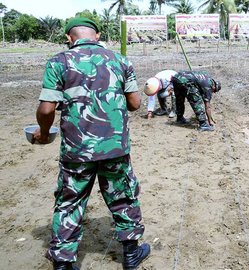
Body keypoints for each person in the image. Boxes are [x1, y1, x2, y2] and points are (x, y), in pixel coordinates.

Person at [32, 17, 150, 270]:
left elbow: (45, 110)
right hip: (114, 148)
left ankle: (62, 263)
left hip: (76, 150)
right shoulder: (120, 60)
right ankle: (131, 254)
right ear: (97, 36)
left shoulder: (58, 62)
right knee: (123, 196)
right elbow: (135, 104)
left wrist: (43, 133)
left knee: (69, 202)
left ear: (69, 38)